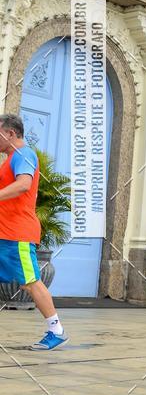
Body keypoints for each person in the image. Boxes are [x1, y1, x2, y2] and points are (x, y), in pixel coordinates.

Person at [0, 114, 68, 349]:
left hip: (16, 234)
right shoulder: (9, 159)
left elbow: (24, 184)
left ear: (10, 133)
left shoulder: (23, 154)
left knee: (30, 282)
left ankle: (56, 330)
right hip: (4, 233)